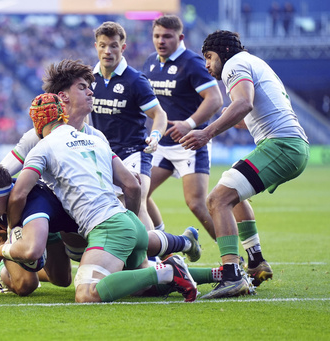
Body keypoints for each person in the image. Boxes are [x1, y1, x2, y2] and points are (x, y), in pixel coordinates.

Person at [7, 93, 198, 303]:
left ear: (36, 125)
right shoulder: (94, 139)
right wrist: (130, 222)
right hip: (128, 220)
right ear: (63, 115)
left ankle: (168, 270)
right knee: (136, 286)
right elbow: (132, 185)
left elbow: (18, 195)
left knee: (86, 293)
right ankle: (216, 273)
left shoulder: (42, 147)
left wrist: (12, 227)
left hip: (106, 226)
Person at [180, 30, 309, 298]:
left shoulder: (234, 64)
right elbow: (247, 109)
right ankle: (256, 261)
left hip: (282, 145)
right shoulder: (252, 62)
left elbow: (244, 103)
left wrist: (207, 132)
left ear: (223, 52)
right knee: (233, 195)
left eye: (208, 57)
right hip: (289, 145)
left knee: (217, 199)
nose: (206, 65)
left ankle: (231, 275)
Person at [142, 15, 223, 239]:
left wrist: (189, 124)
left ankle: (233, 257)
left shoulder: (192, 63)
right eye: (157, 36)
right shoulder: (150, 62)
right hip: (161, 144)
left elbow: (215, 99)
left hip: (190, 144)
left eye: (167, 36)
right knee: (137, 194)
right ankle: (162, 245)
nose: (161, 41)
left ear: (180, 37)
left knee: (196, 203)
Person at [90, 21, 168, 231]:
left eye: (113, 45)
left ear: (122, 48)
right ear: (96, 46)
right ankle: (168, 243)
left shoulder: (135, 80)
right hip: (104, 155)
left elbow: (159, 114)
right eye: (103, 45)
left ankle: (152, 258)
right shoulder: (88, 79)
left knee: (135, 201)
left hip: (134, 152)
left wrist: (156, 136)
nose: (108, 51)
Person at [0, 159, 79, 296]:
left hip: (50, 230)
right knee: (26, 285)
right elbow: (0, 234)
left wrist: (2, 250)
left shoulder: (32, 202)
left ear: (9, 195)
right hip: (30, 232)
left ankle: (26, 267)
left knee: (62, 280)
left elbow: (31, 251)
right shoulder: (0, 198)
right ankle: (4, 271)